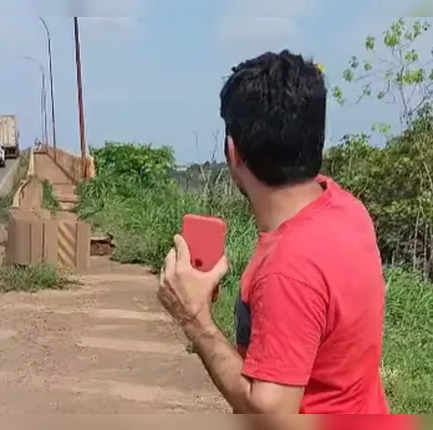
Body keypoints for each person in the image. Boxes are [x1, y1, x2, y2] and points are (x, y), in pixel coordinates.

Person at [157, 50, 413, 427]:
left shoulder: (288, 268)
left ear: (233, 151)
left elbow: (270, 412)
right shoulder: (345, 208)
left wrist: (194, 317)